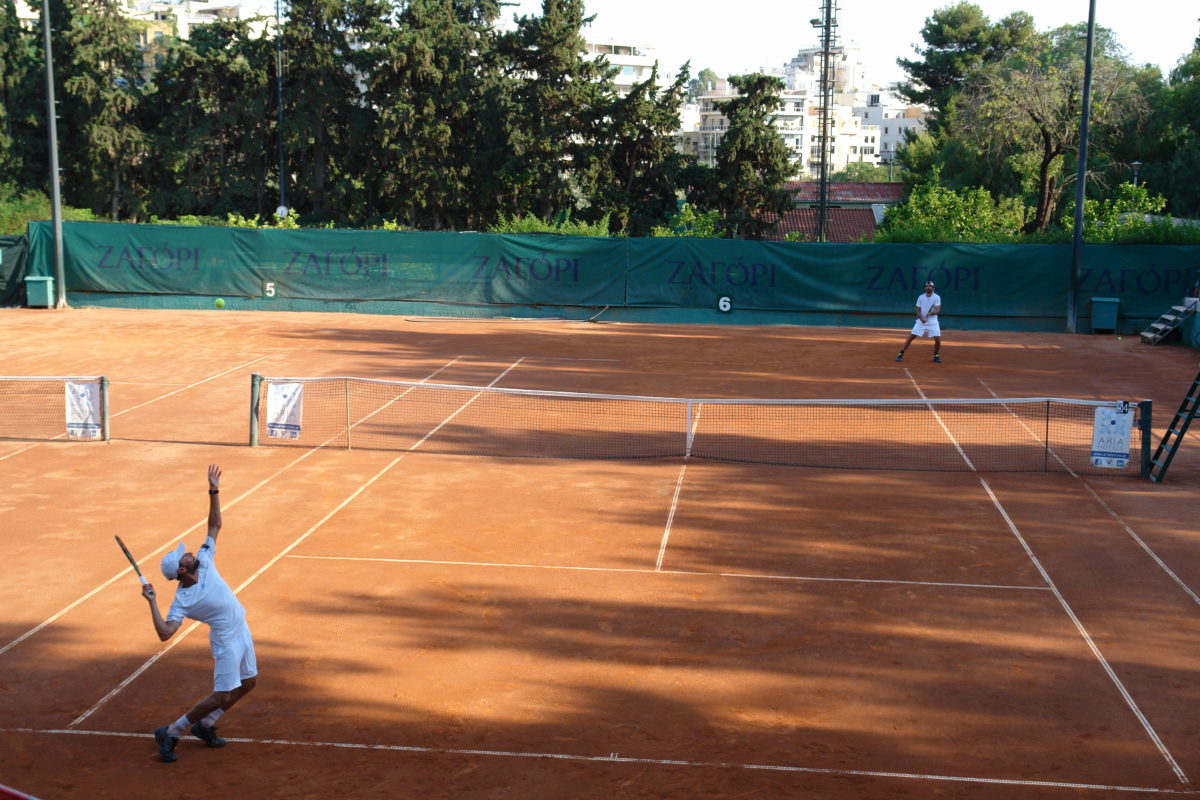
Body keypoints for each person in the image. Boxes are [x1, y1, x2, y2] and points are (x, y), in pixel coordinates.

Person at [141, 464, 257, 763]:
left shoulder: (204, 559)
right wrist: (152, 602)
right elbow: (165, 633)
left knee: (248, 683)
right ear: (181, 570)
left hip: (240, 628)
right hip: (225, 642)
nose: (190, 551)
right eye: (185, 555)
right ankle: (171, 731)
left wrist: (214, 489)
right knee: (221, 695)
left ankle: (205, 725)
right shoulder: (183, 600)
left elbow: (215, 525)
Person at [896, 280, 942, 363]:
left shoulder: (937, 297)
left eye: (930, 286)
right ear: (925, 288)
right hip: (921, 321)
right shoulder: (921, 297)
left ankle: (936, 355)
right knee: (911, 337)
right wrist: (921, 319)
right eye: (927, 286)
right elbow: (918, 310)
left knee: (938, 339)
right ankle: (900, 353)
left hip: (933, 321)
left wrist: (931, 313)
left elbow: (938, 310)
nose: (928, 287)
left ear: (933, 288)